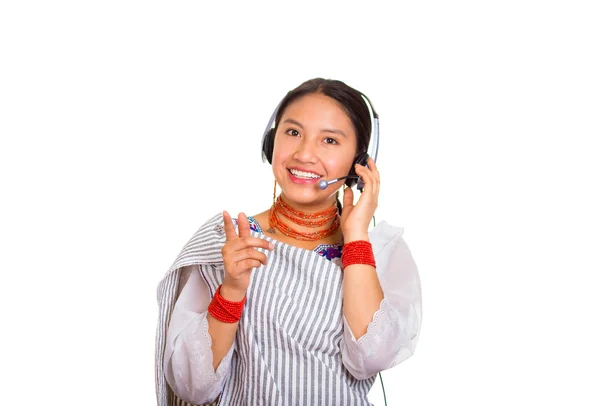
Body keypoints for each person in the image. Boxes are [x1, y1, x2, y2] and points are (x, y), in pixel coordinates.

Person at [155, 78, 423, 406]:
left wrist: (355, 238)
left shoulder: (382, 249)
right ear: (271, 142)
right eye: (293, 132)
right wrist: (232, 290)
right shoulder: (229, 241)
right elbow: (192, 388)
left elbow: (372, 357)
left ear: (359, 163)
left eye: (329, 140)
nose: (305, 154)